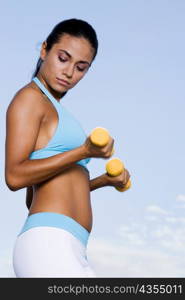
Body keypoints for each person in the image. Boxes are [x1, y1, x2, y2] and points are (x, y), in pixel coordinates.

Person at [5, 18, 130, 277]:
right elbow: (15, 176)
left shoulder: (53, 108)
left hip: (69, 244)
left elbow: (35, 198)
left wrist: (103, 181)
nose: (70, 72)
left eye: (81, 67)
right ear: (44, 50)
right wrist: (84, 152)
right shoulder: (30, 98)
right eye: (63, 58)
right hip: (48, 245)